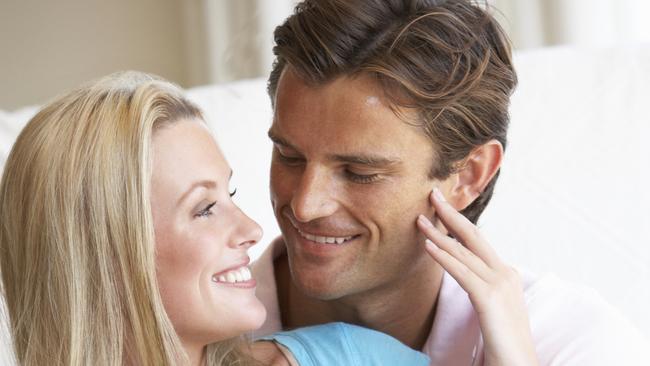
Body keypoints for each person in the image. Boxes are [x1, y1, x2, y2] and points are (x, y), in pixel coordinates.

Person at [253, 0, 650, 364]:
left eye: (360, 173)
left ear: (468, 176)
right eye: (289, 157)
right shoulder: (196, 331)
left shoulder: (572, 343)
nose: (305, 204)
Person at [0, 71, 430, 366]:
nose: (252, 230)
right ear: (104, 254)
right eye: (205, 209)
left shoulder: (351, 356)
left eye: (232, 194)